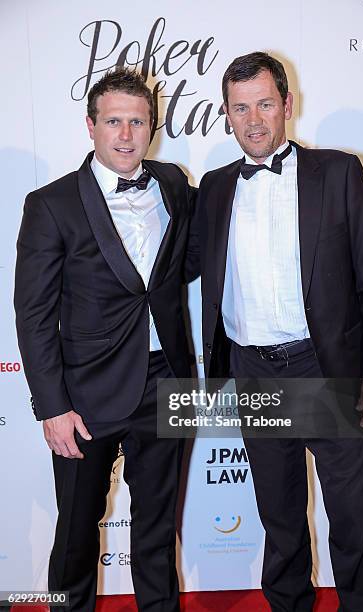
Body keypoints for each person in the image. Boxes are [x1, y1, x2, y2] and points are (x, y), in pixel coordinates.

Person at [189, 52, 363, 611]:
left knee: (353, 516)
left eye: (264, 104)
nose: (254, 120)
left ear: (287, 104)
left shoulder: (338, 171)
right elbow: (173, 268)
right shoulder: (211, 189)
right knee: (279, 518)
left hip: (324, 367)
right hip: (254, 372)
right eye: (240, 108)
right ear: (227, 114)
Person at [14, 67, 195, 612]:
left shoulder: (173, 184)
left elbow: (176, 270)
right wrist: (52, 405)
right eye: (113, 121)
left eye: (137, 122)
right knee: (74, 533)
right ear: (90, 126)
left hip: (167, 381)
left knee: (159, 529)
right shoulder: (51, 203)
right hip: (85, 395)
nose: (125, 134)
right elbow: (35, 313)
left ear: (152, 127)